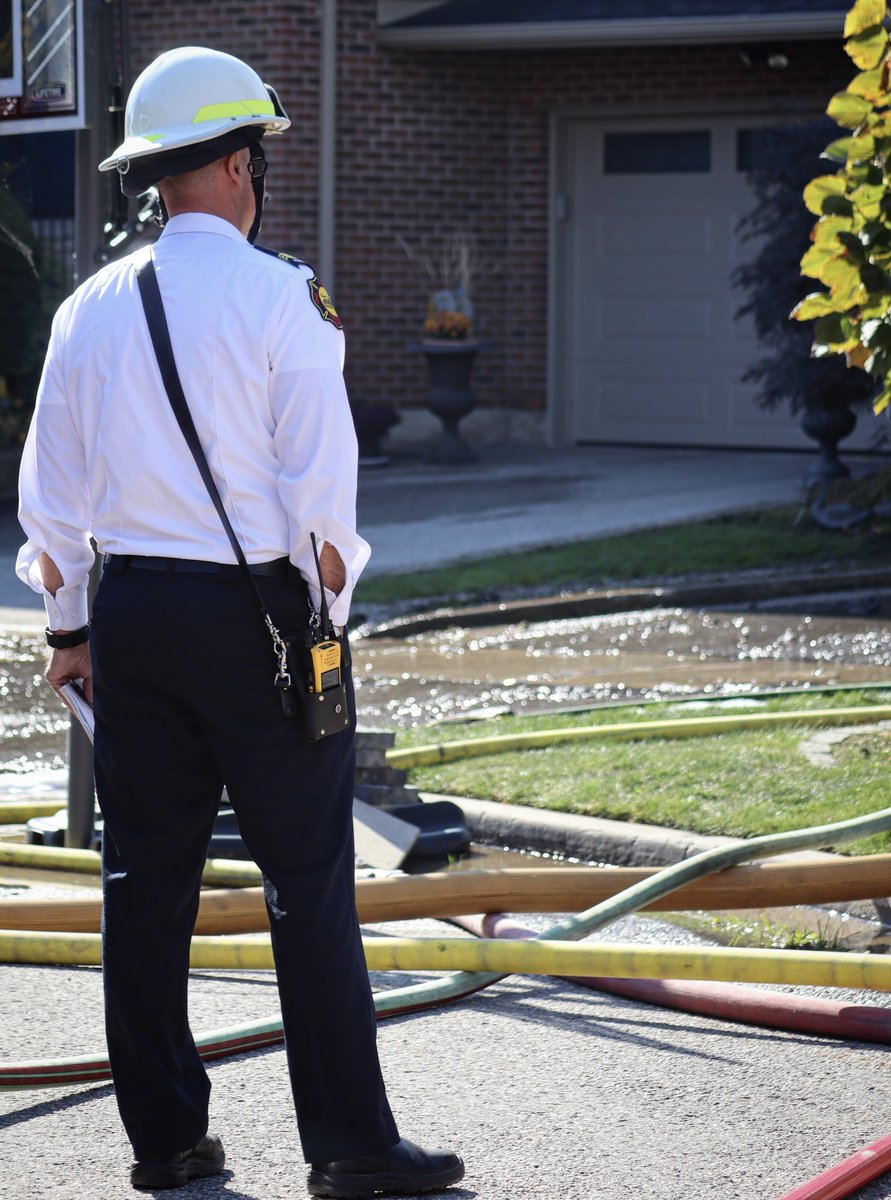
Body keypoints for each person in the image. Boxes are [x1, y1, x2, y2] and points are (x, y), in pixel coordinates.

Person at [16, 46, 464, 1199]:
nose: (258, 175)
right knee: (307, 879)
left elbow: (49, 504)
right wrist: (325, 625)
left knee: (144, 885)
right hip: (255, 612)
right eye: (253, 155)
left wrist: (71, 628)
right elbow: (324, 509)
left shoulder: (85, 310)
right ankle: (353, 1148)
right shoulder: (284, 299)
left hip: (132, 617)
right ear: (228, 166)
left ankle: (166, 1144)